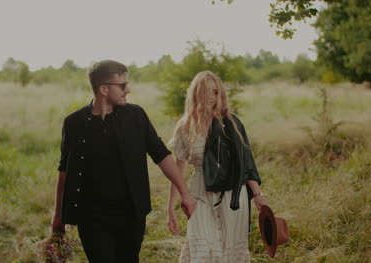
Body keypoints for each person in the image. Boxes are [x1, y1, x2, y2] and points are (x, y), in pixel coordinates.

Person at [51, 60, 197, 263]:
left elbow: (161, 154)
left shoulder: (136, 116)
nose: (127, 90)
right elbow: (64, 170)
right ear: (103, 88)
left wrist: (185, 193)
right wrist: (57, 218)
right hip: (92, 217)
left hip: (132, 214)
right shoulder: (74, 123)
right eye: (122, 85)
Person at [167, 71, 269, 262]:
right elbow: (177, 170)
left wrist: (257, 194)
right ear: (196, 93)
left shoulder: (231, 123)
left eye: (215, 92)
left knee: (231, 252)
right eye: (206, 91)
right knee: (203, 251)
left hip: (232, 195)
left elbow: (246, 163)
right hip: (200, 195)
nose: (211, 97)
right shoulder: (185, 126)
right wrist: (170, 208)